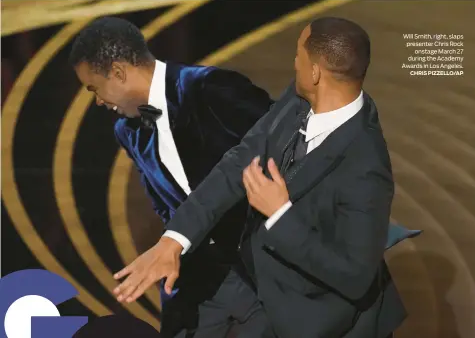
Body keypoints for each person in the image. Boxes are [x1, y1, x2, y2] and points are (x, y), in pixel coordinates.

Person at [113, 17, 412, 338]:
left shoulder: (366, 166)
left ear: (315, 72)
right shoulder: (300, 99)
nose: (293, 62)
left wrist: (280, 214)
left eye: (299, 54)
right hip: (272, 299)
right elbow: (238, 163)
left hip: (329, 324)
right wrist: (175, 240)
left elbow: (353, 276)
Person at [69, 17, 275, 338]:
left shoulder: (211, 88)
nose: (97, 100)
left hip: (264, 269)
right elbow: (165, 205)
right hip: (198, 277)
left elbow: (288, 152)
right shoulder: (127, 131)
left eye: (95, 88)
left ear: (119, 73)